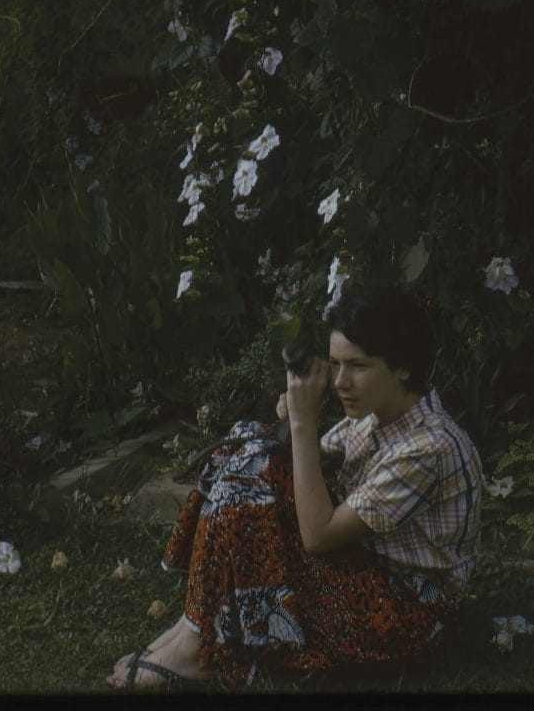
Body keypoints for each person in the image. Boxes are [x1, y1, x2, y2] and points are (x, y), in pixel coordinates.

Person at [107, 285, 483, 690]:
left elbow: (318, 535)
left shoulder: (428, 448)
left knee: (254, 470)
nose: (341, 382)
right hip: (364, 574)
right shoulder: (377, 416)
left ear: (403, 368)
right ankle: (192, 630)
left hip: (404, 617)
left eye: (357, 366)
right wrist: (293, 425)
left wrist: (303, 425)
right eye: (336, 365)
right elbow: (295, 468)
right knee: (251, 441)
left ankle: (197, 647)